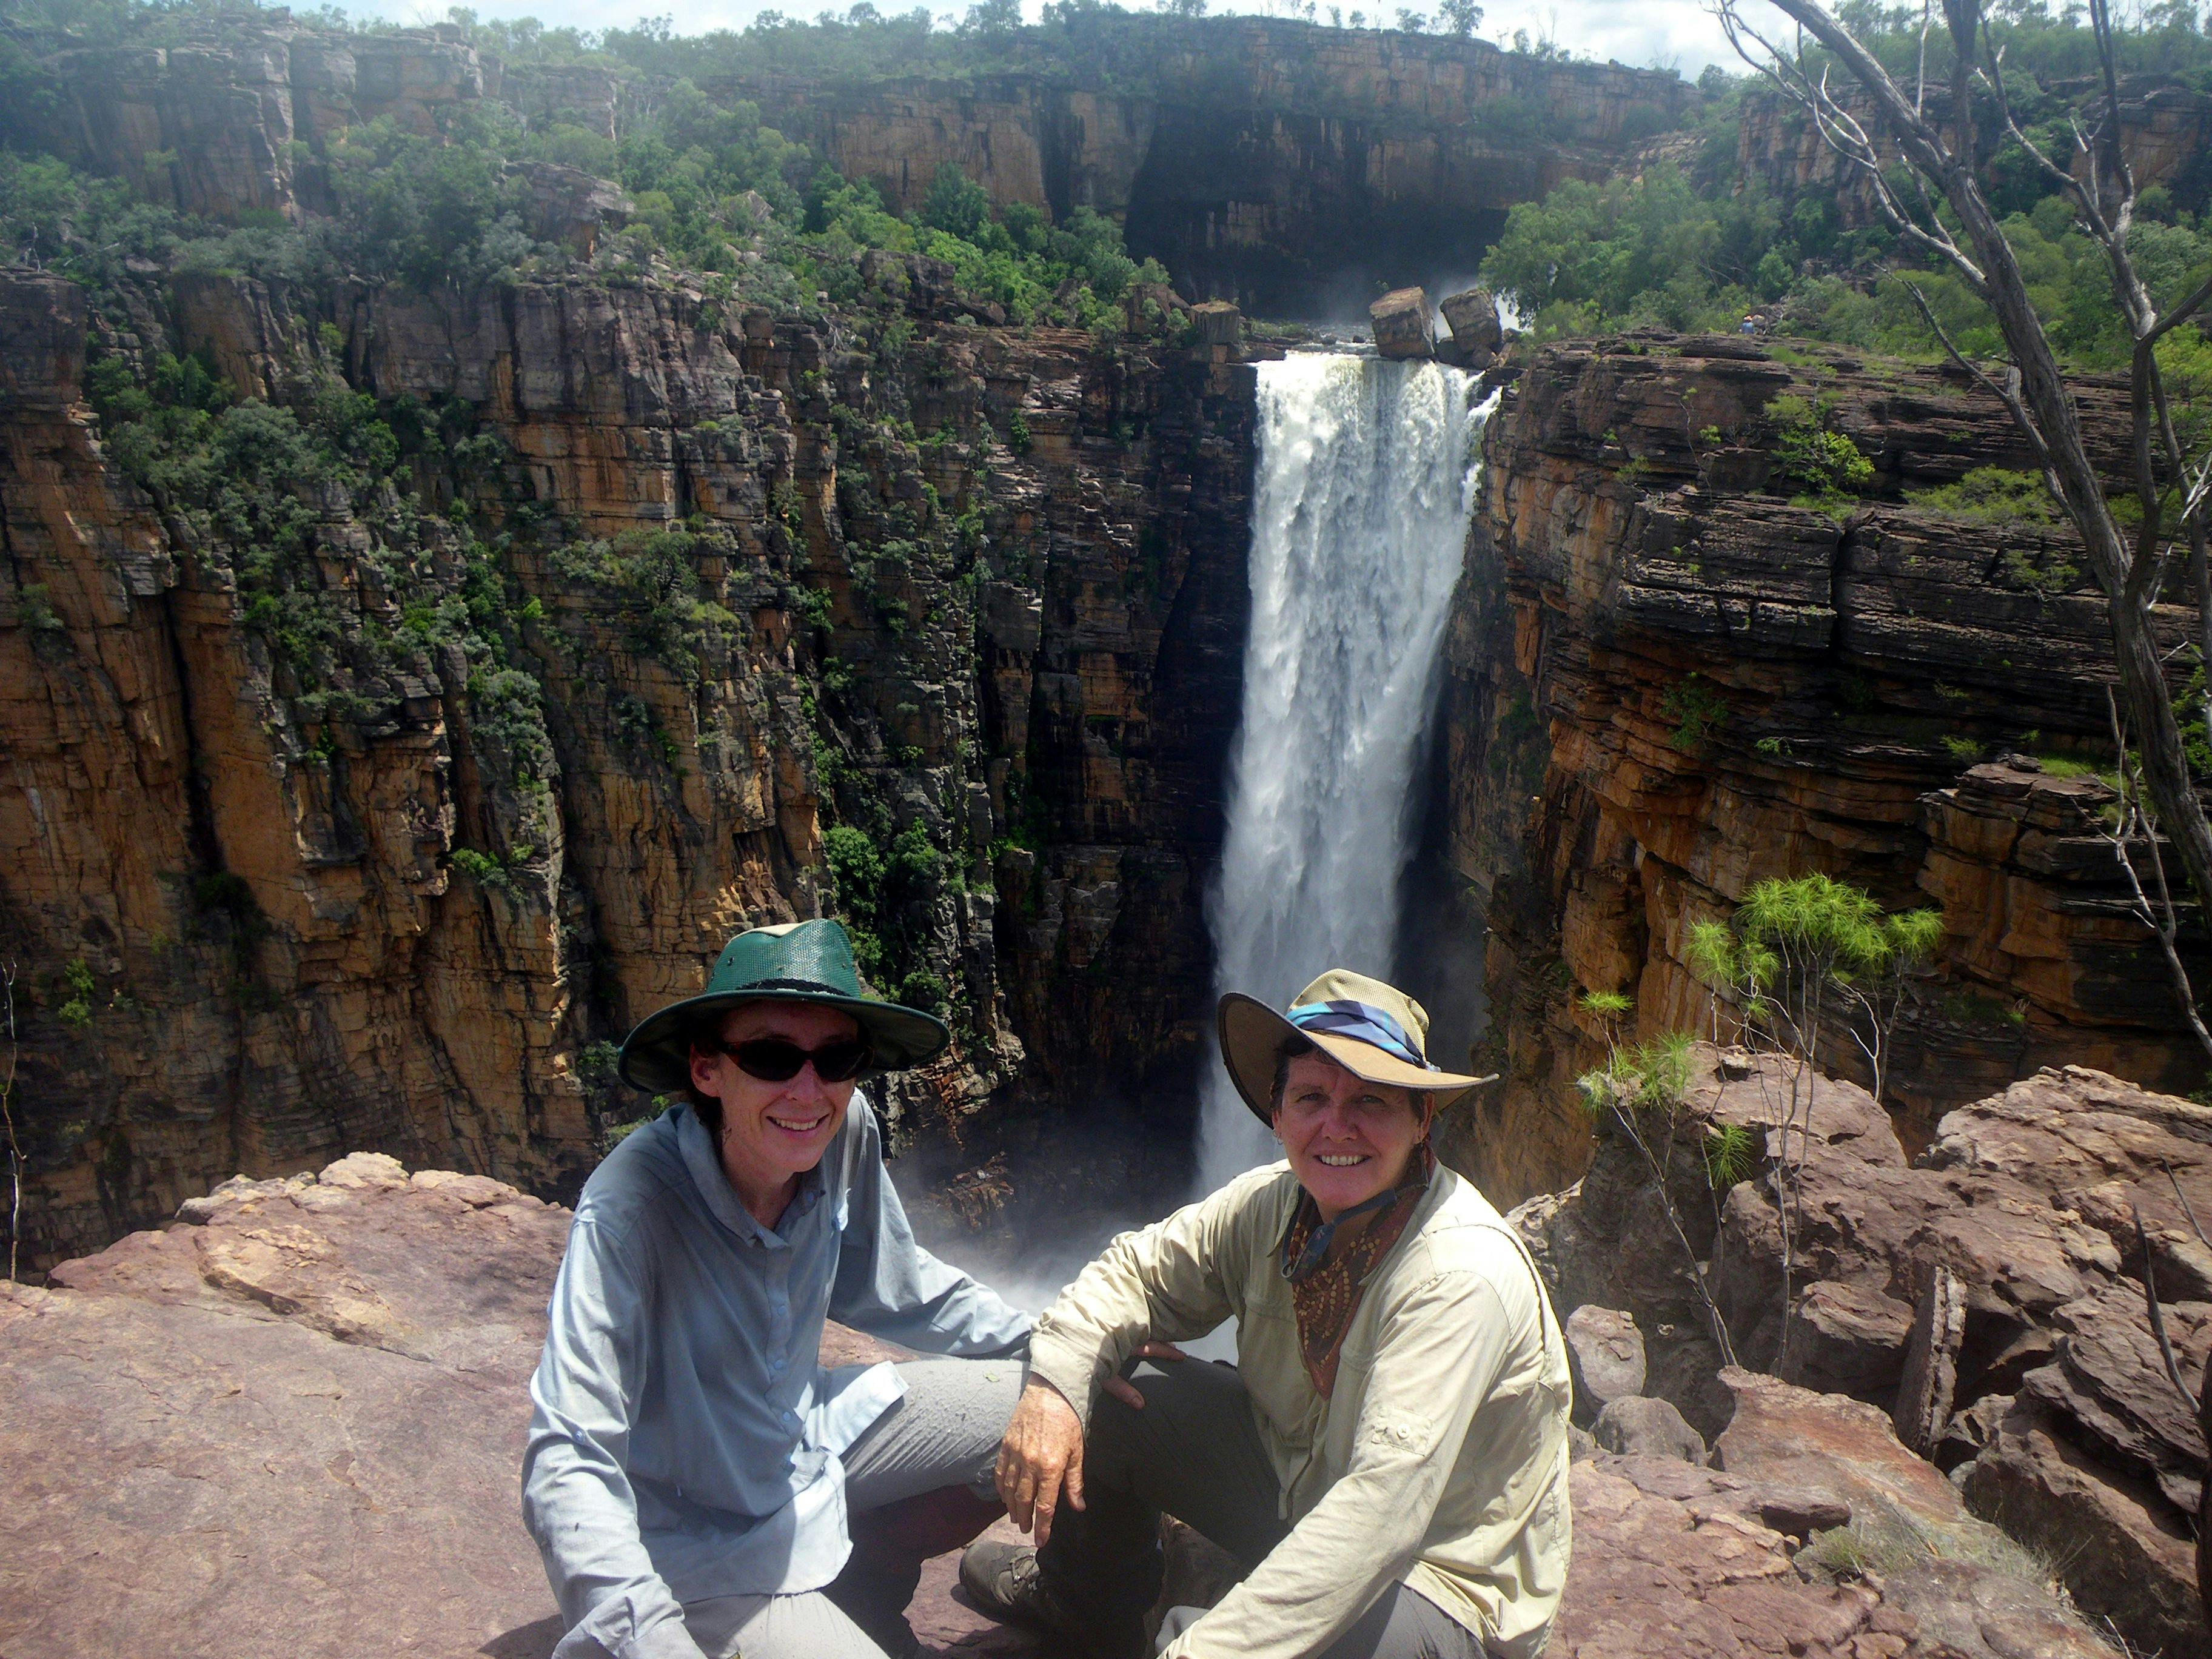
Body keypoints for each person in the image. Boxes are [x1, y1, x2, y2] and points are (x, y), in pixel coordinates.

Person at [961, 969, 1572, 1659]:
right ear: (1276, 1113)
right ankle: (1082, 1604)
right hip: (1295, 1485)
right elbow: (1133, 1273)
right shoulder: (1272, 1206)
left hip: (1432, 1572)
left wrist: (1206, 1651)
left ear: (1421, 1119)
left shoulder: (1458, 1274)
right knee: (1105, 1379)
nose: (1336, 1126)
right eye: (1312, 1096)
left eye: (1371, 1100)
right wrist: (1053, 1390)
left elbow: (1382, 1509)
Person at [523, 918, 1033, 1659]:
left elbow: (894, 1283)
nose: (807, 1089)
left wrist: (1055, 1340)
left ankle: (879, 1586)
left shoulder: (842, 1125)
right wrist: (646, 1636)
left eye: (837, 1056)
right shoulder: (630, 1211)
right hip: (701, 1538)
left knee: (1053, 1396)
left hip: (806, 1439)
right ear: (706, 1070)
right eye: (769, 1056)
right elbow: (567, 1451)